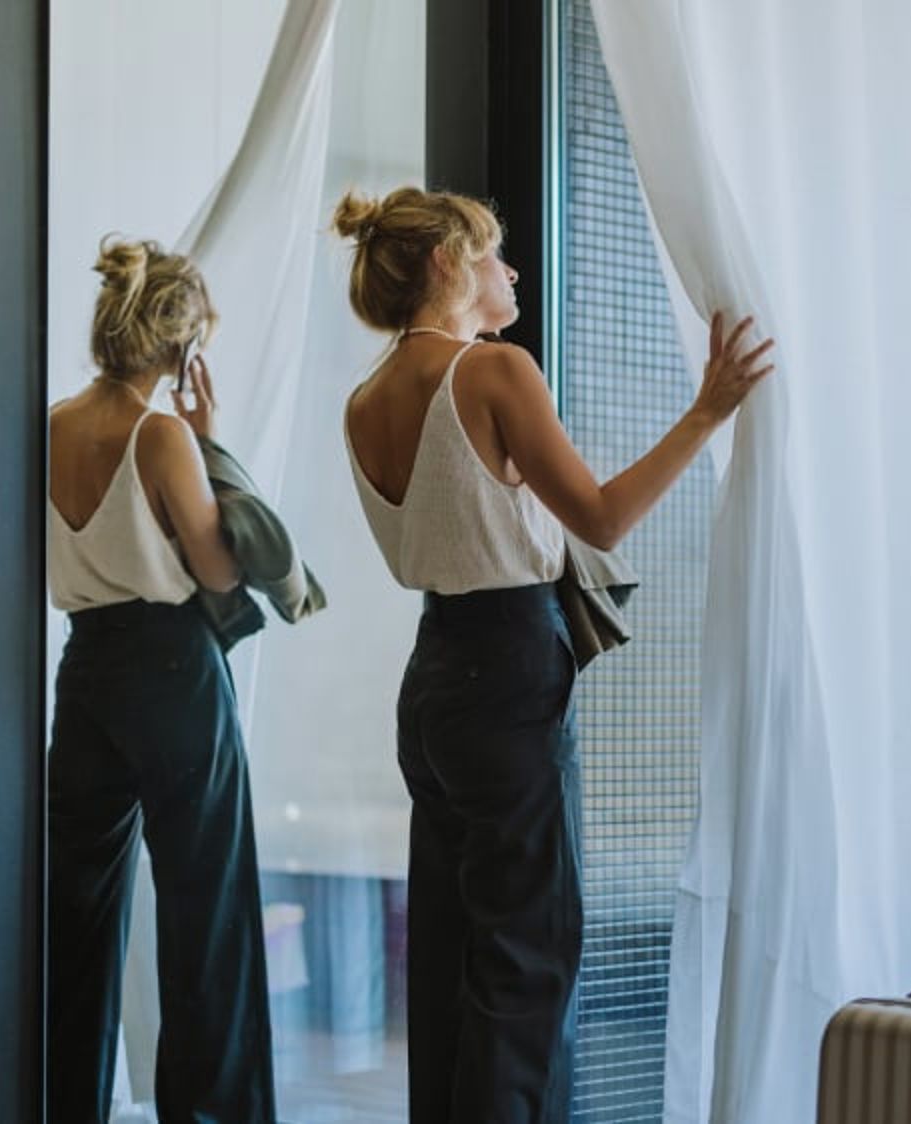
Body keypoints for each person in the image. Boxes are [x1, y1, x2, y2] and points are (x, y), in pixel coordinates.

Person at [334, 185, 773, 1123]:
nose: (512, 271)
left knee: (453, 959)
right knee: (527, 960)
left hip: (434, 676)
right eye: (494, 253)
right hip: (508, 675)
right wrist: (706, 413)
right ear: (448, 265)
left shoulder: (363, 400)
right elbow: (602, 519)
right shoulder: (496, 372)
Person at [47, 237, 275, 1123]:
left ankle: (63, 1101)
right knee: (204, 910)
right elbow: (218, 570)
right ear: (183, 347)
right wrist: (207, 443)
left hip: (86, 673)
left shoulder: (53, 422)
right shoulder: (162, 434)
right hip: (173, 670)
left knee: (76, 910)